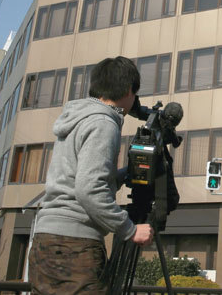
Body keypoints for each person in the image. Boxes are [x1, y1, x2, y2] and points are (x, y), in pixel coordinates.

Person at [28, 56, 153, 295]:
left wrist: (124, 175)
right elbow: (89, 190)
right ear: (129, 90)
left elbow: (79, 178)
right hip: (74, 246)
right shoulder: (104, 123)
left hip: (46, 240)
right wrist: (130, 230)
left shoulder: (78, 117)